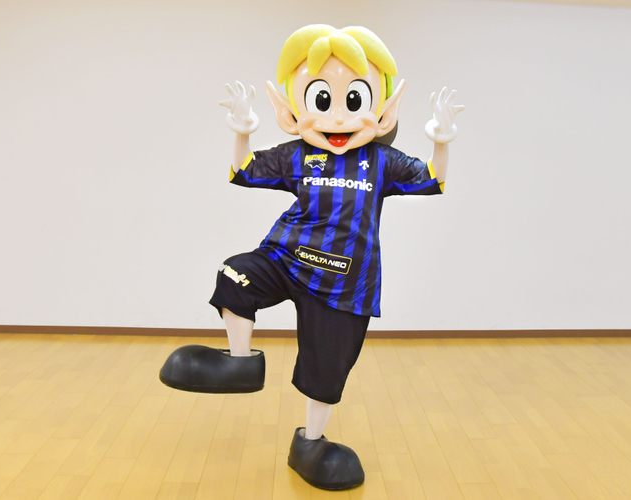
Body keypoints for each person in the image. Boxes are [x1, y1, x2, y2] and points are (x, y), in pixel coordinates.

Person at [160, 24, 464, 490]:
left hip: (345, 282)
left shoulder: (381, 162)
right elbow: (244, 170)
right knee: (236, 273)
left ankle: (310, 443)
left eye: (353, 101)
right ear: (294, 109)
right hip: (288, 259)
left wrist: (442, 140)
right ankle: (239, 362)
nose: (338, 117)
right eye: (323, 100)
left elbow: (432, 179)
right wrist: (242, 133)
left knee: (326, 372)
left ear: (382, 109)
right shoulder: (299, 155)